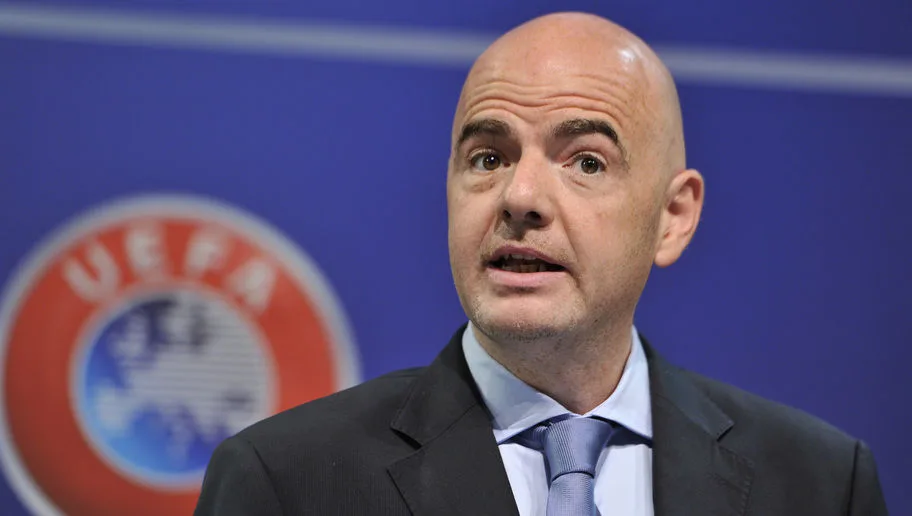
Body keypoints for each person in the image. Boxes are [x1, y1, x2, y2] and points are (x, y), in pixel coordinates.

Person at [194, 12, 887, 516]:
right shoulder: (287, 483)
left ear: (672, 217)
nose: (519, 197)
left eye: (586, 161)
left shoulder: (820, 484)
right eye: (487, 158)